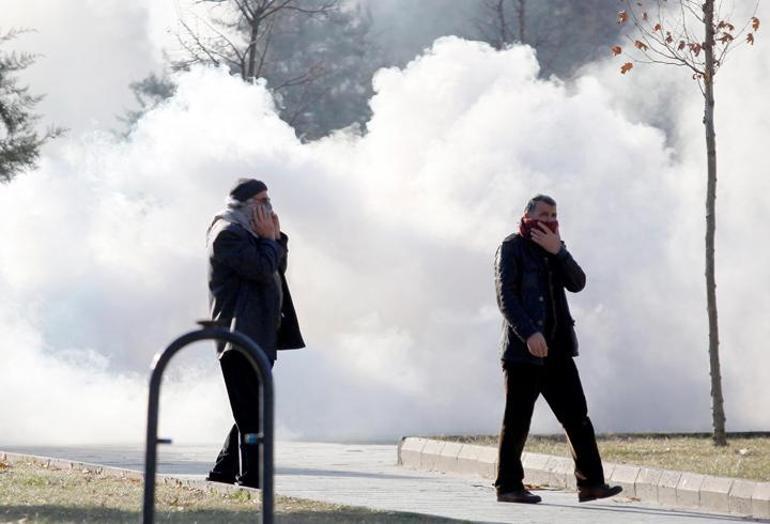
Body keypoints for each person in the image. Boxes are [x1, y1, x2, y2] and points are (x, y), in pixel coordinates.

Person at [493, 194, 622, 504]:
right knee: (517, 421)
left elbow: (578, 283)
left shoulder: (553, 248)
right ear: (527, 215)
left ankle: (591, 485)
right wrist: (529, 333)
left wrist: (559, 250)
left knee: (577, 417)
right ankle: (508, 486)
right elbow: (505, 297)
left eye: (553, 214)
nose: (549, 220)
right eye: (544, 214)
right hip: (524, 352)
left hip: (558, 350)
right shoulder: (511, 248)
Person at [205, 178, 305, 487]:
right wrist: (268, 240)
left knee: (249, 408)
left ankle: (223, 470)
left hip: (260, 333)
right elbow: (261, 269)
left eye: (268, 200)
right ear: (244, 205)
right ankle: (252, 478)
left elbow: (276, 267)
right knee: (252, 413)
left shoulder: (251, 233)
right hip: (238, 336)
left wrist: (275, 238)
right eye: (260, 201)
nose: (268, 207)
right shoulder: (227, 234)